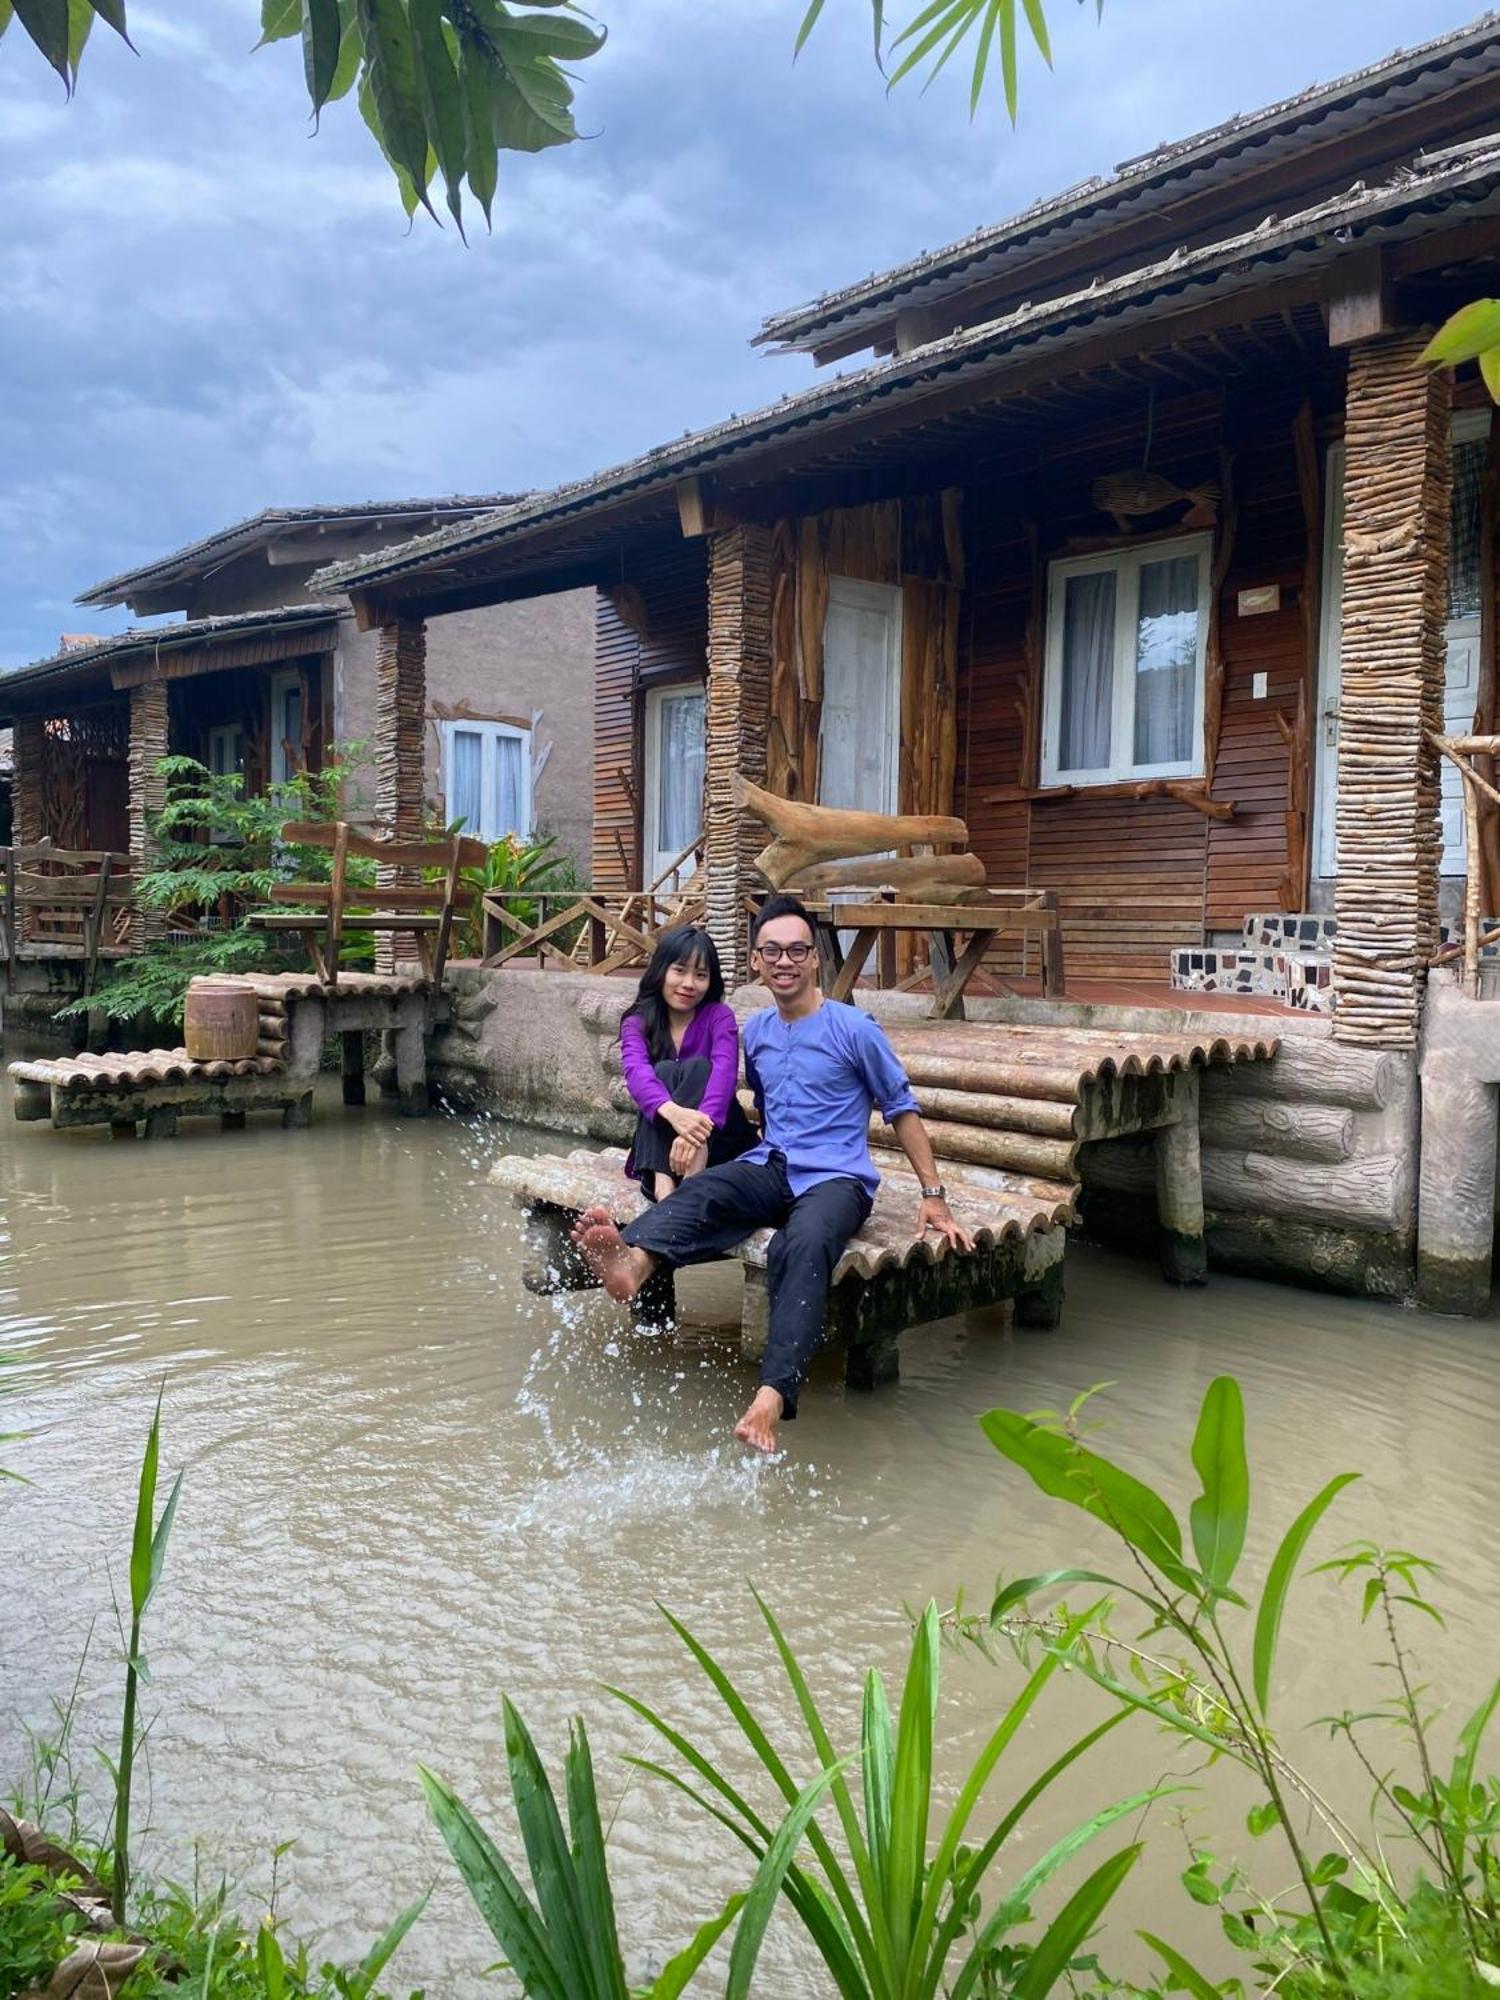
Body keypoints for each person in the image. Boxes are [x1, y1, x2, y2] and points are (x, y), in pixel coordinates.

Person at [574, 893, 974, 1454]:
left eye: (796, 950)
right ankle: (633, 1266)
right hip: (774, 1164)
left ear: (814, 959)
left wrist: (934, 1196)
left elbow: (901, 1108)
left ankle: (772, 1394)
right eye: (772, 952)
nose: (784, 961)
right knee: (712, 1189)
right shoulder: (757, 1032)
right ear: (757, 963)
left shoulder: (854, 1028)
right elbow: (766, 1105)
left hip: (837, 1179)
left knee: (802, 1245)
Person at [618, 925, 755, 1200]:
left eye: (701, 975)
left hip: (720, 1144)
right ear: (661, 971)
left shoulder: (719, 1016)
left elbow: (724, 1073)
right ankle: (664, 1184)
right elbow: (636, 1073)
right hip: (662, 1154)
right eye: (679, 970)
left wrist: (695, 1132)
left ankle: (686, 1183)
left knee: (700, 1068)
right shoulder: (638, 1022)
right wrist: (673, 1113)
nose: (689, 983)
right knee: (663, 1072)